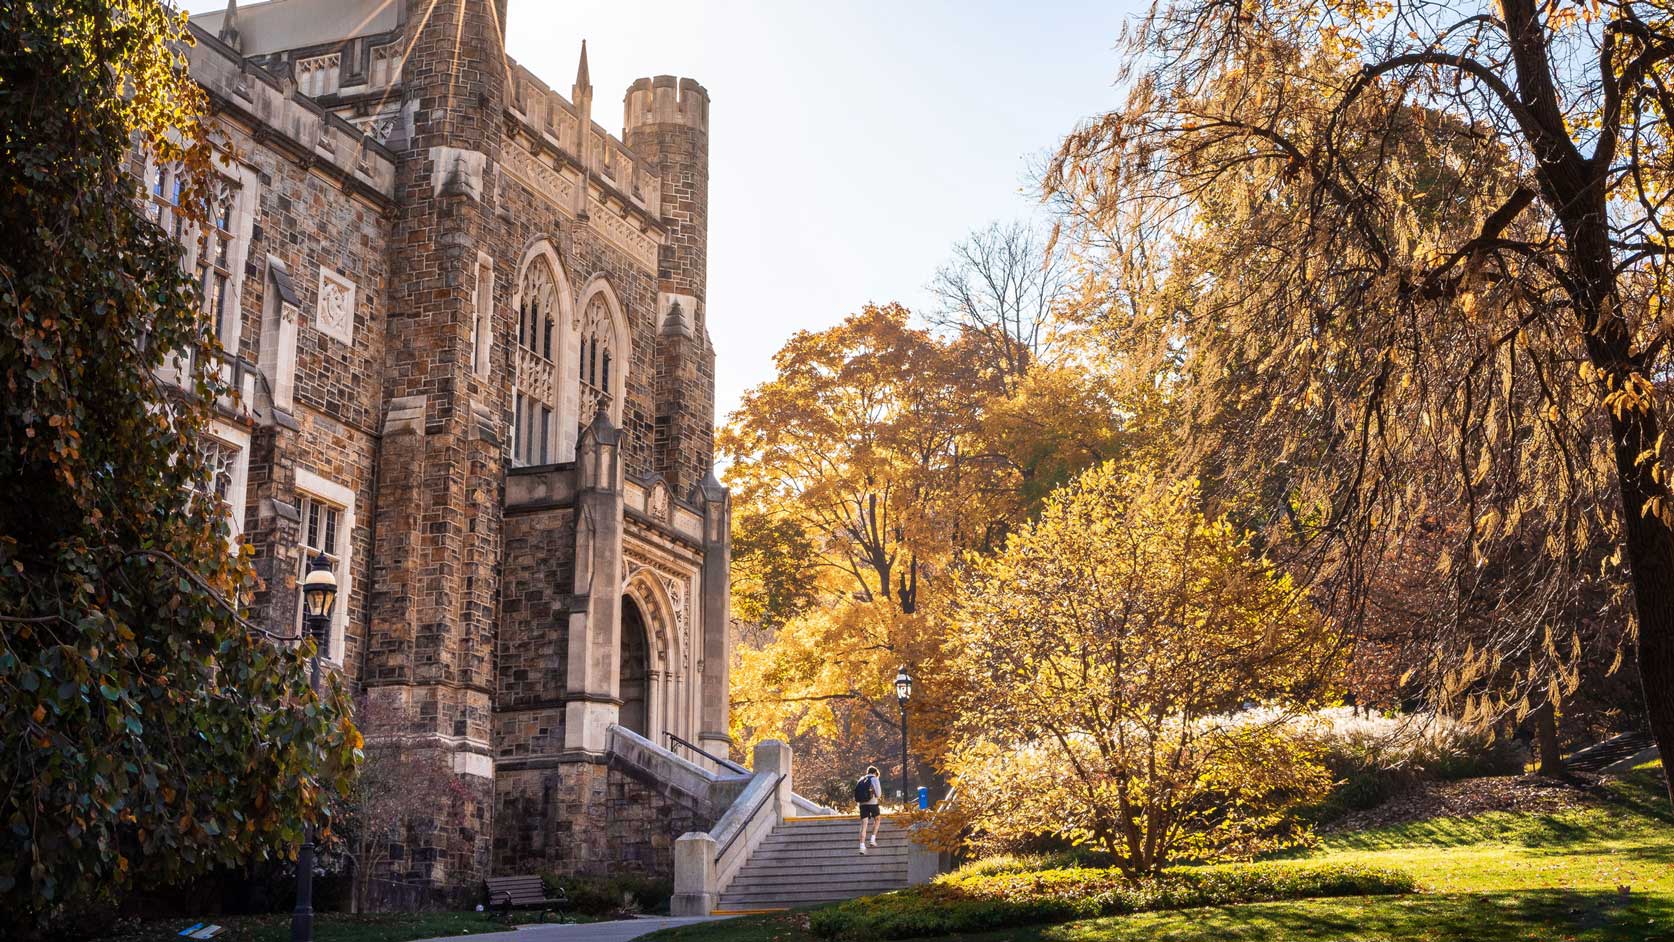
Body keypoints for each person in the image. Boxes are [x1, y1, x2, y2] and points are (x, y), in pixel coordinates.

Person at [854, 764, 884, 853]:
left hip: (862, 804)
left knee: (864, 825)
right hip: (873, 803)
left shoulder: (861, 780)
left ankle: (862, 846)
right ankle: (872, 839)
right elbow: (878, 795)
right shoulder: (874, 779)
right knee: (877, 819)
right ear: (875, 772)